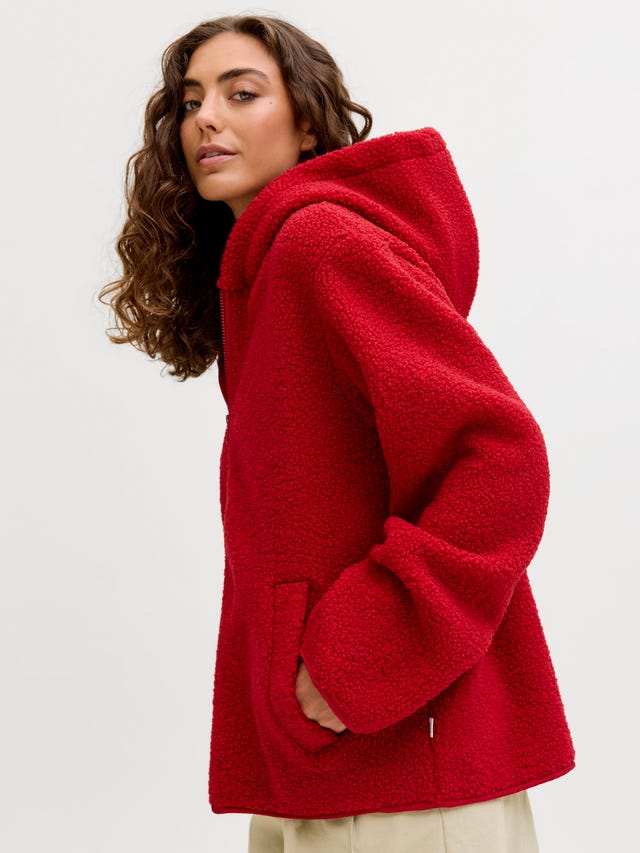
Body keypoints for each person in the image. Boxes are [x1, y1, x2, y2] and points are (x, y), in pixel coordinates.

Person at [99, 13, 576, 853]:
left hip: (398, 768)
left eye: (242, 93)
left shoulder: (322, 246)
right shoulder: (266, 271)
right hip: (328, 758)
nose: (207, 119)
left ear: (309, 123)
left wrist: (360, 657)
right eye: (192, 101)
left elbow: (500, 457)